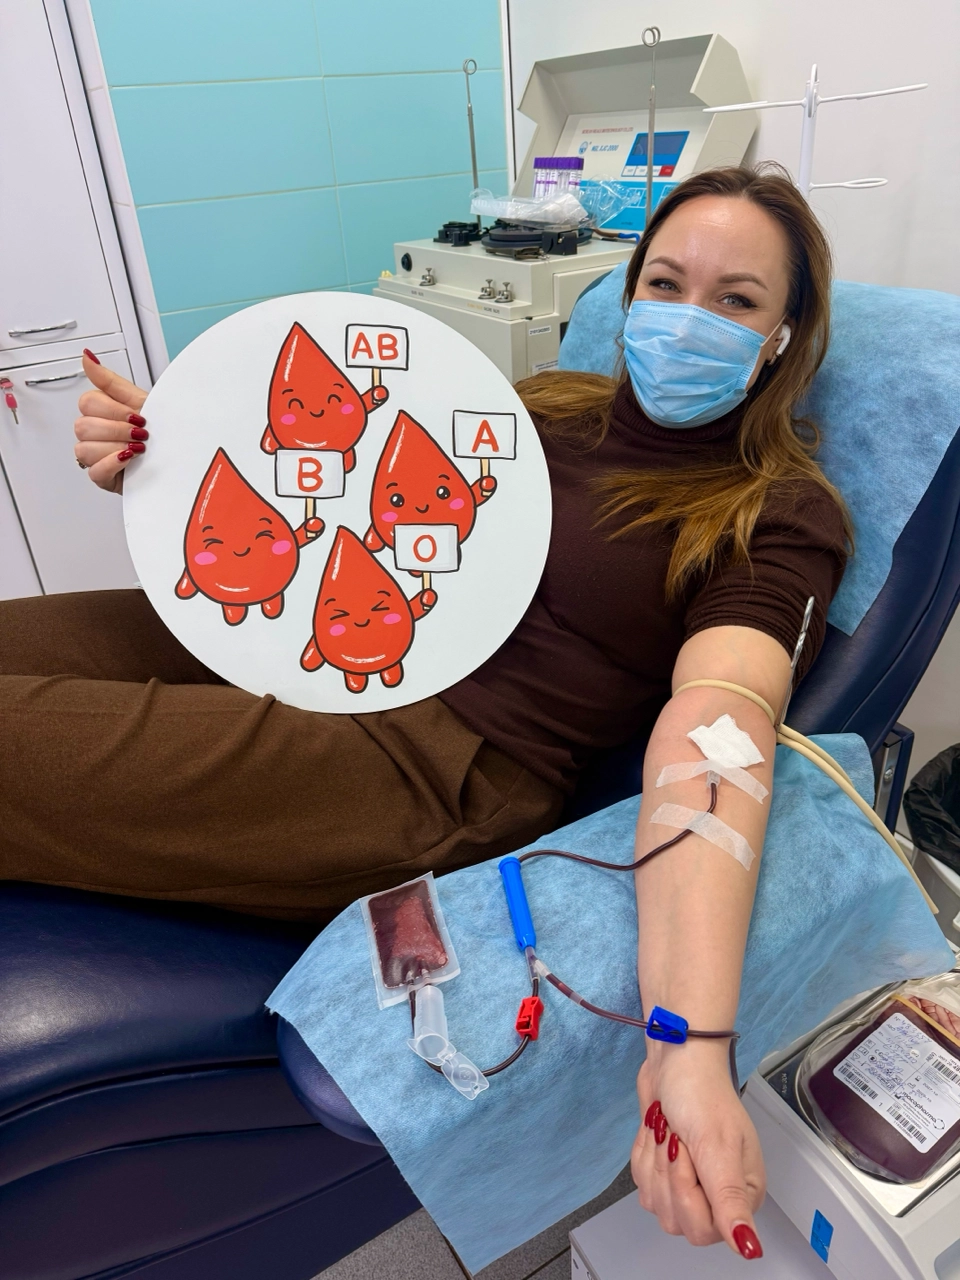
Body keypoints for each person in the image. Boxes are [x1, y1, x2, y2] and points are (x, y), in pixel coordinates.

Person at [0, 165, 849, 1260]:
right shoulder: (545, 405)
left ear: (782, 337)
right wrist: (152, 468)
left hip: (432, 761)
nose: (688, 318)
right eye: (666, 283)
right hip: (308, 638)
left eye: (735, 300)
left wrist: (688, 1043)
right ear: (629, 292)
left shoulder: (775, 513)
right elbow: (338, 498)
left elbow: (719, 725)